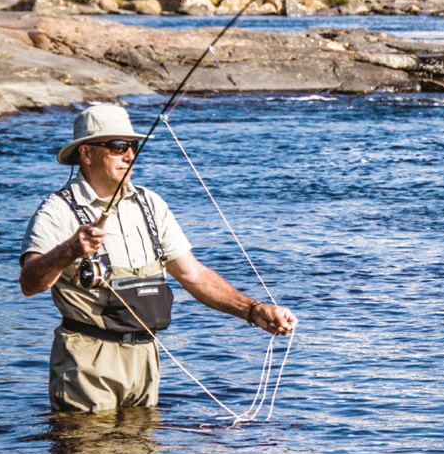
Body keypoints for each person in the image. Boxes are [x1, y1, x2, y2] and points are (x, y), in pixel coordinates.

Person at [19, 104, 297, 413]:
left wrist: (255, 311)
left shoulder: (150, 204)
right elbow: (30, 282)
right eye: (117, 147)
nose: (129, 155)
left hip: (147, 358)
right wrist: (69, 250)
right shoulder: (56, 211)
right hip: (87, 359)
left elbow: (194, 276)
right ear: (86, 154)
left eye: (133, 146)